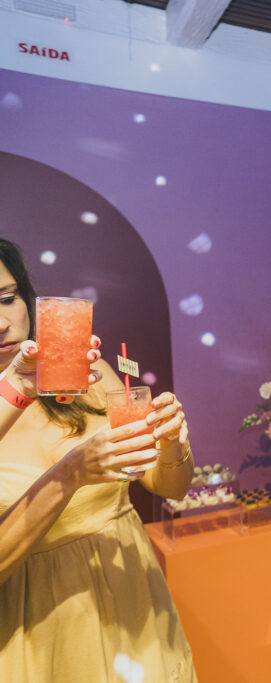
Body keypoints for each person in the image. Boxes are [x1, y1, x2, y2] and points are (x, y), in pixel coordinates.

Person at [0, 239, 196, 681]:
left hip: (132, 595)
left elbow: (169, 486)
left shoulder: (87, 375)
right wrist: (69, 475)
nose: (1, 322)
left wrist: (172, 444)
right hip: (39, 624)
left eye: (8, 298)